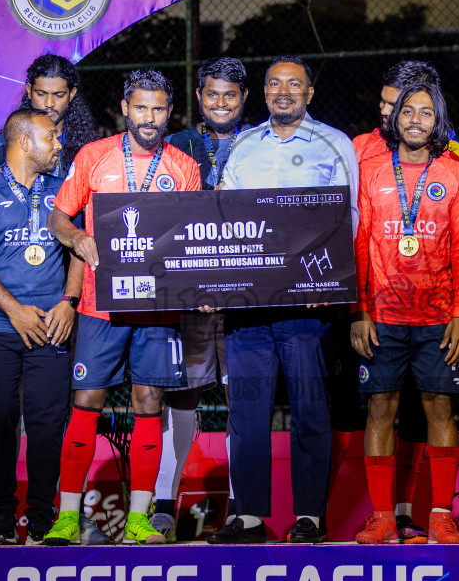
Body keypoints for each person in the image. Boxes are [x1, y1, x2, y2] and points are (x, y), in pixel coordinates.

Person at [209, 55, 360, 544]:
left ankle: (309, 517)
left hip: (305, 305)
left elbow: (349, 216)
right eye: (275, 84)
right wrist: (216, 282)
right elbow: (222, 217)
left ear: (310, 94)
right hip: (248, 305)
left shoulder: (334, 143)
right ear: (264, 93)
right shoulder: (243, 146)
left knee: (310, 409)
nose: (284, 91)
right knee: (247, 411)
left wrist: (331, 280)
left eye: (294, 84)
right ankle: (248, 516)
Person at [46, 69, 200, 545]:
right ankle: (68, 517)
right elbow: (58, 215)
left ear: (168, 111)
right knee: (86, 401)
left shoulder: (184, 167)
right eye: (140, 108)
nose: (148, 118)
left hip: (158, 307)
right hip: (100, 305)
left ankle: (139, 518)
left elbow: (192, 233)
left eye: (157, 109)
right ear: (125, 107)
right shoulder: (94, 157)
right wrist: (77, 237)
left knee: (149, 402)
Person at [350, 81, 459, 545]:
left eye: (425, 113)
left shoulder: (454, 174)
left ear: (437, 122)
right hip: (381, 315)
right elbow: (359, 246)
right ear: (395, 118)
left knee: (440, 408)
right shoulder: (372, 171)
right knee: (380, 408)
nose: (415, 120)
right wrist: (357, 311)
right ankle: (382, 516)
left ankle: (441, 515)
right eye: (408, 112)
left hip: (438, 317)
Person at [0, 108, 84, 546]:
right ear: (25, 141)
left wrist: (69, 303)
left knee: (48, 424)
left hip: (52, 324)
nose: (58, 143)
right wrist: (13, 310)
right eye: (51, 136)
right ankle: (1, 519)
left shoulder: (62, 191)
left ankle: (43, 516)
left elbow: (79, 252)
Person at [157, 56, 248, 539]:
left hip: (245, 302)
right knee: (182, 397)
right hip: (190, 299)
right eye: (212, 94)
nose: (220, 103)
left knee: (244, 401)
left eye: (230, 95)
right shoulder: (176, 147)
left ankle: (240, 507)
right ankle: (162, 505)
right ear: (198, 96)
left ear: (243, 99)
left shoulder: (259, 145)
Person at [0, 54, 98, 179]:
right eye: (41, 94)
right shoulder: (4, 144)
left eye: (58, 95)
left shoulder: (85, 147)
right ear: (29, 91)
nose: (49, 103)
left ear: (72, 94)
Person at [352, 59, 459, 166]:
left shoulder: (450, 154)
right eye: (383, 101)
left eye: (393, 105)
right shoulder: (364, 145)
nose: (384, 110)